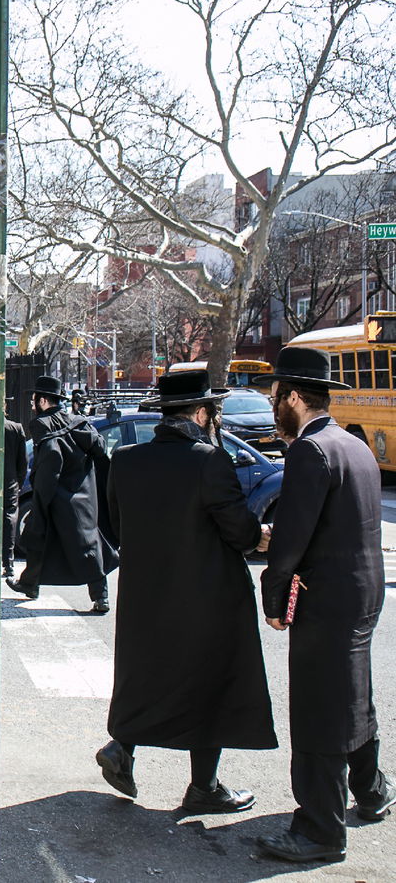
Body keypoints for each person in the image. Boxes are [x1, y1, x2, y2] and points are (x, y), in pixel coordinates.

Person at [96, 370, 276, 813]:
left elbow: (116, 527)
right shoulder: (208, 460)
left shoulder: (128, 460)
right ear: (201, 413)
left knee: (148, 673)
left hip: (146, 593)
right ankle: (204, 786)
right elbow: (238, 530)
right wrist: (261, 535)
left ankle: (122, 747)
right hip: (208, 594)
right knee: (211, 683)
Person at [252, 346, 392, 863]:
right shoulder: (352, 443)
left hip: (328, 598)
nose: (273, 406)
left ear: (293, 397)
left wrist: (273, 596)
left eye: (275, 397)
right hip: (363, 590)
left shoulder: (310, 451)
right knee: (353, 696)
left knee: (317, 710)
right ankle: (373, 792)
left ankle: (319, 830)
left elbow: (292, 538)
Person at [9, 376, 117, 612]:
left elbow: (51, 458)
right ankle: (29, 584)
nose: (31, 405)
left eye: (34, 400)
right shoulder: (79, 421)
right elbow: (99, 448)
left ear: (44, 401)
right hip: (83, 494)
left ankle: (101, 596)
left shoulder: (42, 424)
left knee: (81, 545)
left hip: (55, 492)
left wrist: (41, 491)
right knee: (43, 537)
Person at [2, 410, 28, 578]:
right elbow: (23, 462)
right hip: (10, 481)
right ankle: (9, 563)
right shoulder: (16, 428)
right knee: (9, 519)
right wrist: (17, 481)